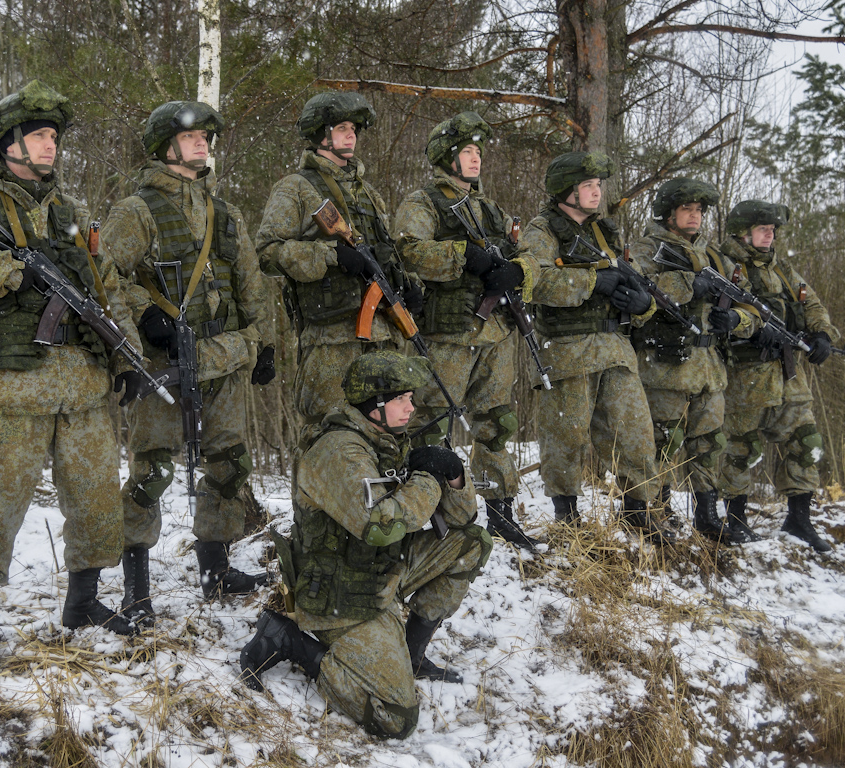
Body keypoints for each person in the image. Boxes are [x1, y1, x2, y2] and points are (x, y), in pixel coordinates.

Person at [0, 80, 138, 669]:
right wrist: (10, 270)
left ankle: (83, 602)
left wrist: (126, 355)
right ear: (8, 144)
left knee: (94, 502)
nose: (50, 145)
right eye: (38, 135)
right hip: (11, 389)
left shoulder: (71, 212)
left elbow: (106, 286)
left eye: (54, 136)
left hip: (83, 388)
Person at [239, 351, 491, 739]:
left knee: (470, 543)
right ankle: (289, 641)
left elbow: (461, 521)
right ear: (374, 405)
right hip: (338, 592)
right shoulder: (339, 450)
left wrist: (454, 476)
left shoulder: (391, 439)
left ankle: (411, 658)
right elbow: (380, 527)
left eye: (411, 397)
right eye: (402, 399)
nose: (412, 406)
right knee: (395, 717)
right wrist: (426, 479)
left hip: (380, 571)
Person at [101, 101, 276, 611]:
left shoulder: (224, 212)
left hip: (222, 358)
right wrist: (144, 315)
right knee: (152, 473)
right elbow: (102, 276)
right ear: (165, 146)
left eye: (207, 136)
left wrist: (262, 341)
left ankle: (216, 571)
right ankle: (137, 589)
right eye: (192, 135)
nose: (203, 143)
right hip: (161, 364)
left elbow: (251, 284)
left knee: (229, 465)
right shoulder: (137, 210)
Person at [516, 152, 670, 542]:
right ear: (565, 191)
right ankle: (567, 520)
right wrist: (590, 282)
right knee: (565, 438)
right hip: (567, 350)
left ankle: (638, 512)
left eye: (598, 185)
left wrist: (643, 306)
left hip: (615, 349)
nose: (596, 192)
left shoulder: (606, 233)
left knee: (635, 435)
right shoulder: (542, 230)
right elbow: (532, 281)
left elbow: (635, 281)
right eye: (588, 185)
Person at [393, 111, 530, 547]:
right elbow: (408, 252)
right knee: (430, 424)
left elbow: (530, 257)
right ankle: (427, 514)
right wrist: (462, 256)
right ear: (445, 157)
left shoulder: (491, 210)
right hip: (446, 334)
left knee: (497, 422)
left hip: (496, 335)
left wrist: (518, 272)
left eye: (477, 152)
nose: (475, 159)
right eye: (466, 151)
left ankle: (501, 513)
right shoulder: (424, 202)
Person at [256, 91, 422, 425]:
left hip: (383, 339)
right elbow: (267, 253)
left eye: (354, 129)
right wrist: (330, 254)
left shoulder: (368, 193)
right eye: (342, 127)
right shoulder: (297, 188)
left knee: (385, 436)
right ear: (321, 134)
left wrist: (408, 284)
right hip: (332, 342)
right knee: (330, 433)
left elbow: (384, 253)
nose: (351, 135)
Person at [629, 178, 763, 545]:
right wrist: (689, 286)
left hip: (709, 368)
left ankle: (706, 513)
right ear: (668, 212)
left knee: (710, 444)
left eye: (700, 210)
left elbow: (750, 306)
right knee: (661, 444)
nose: (695, 216)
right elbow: (638, 291)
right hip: (664, 367)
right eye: (687, 209)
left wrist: (738, 321)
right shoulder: (646, 248)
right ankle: (654, 511)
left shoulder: (715, 256)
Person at [717, 201, 844, 553]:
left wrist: (822, 336)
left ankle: (799, 520)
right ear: (742, 233)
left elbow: (813, 306)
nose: (770, 234)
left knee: (807, 442)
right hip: (743, 378)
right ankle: (736, 521)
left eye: (772, 229)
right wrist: (750, 328)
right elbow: (718, 316)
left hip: (788, 375)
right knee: (740, 450)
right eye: (762, 228)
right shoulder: (726, 267)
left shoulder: (783, 270)